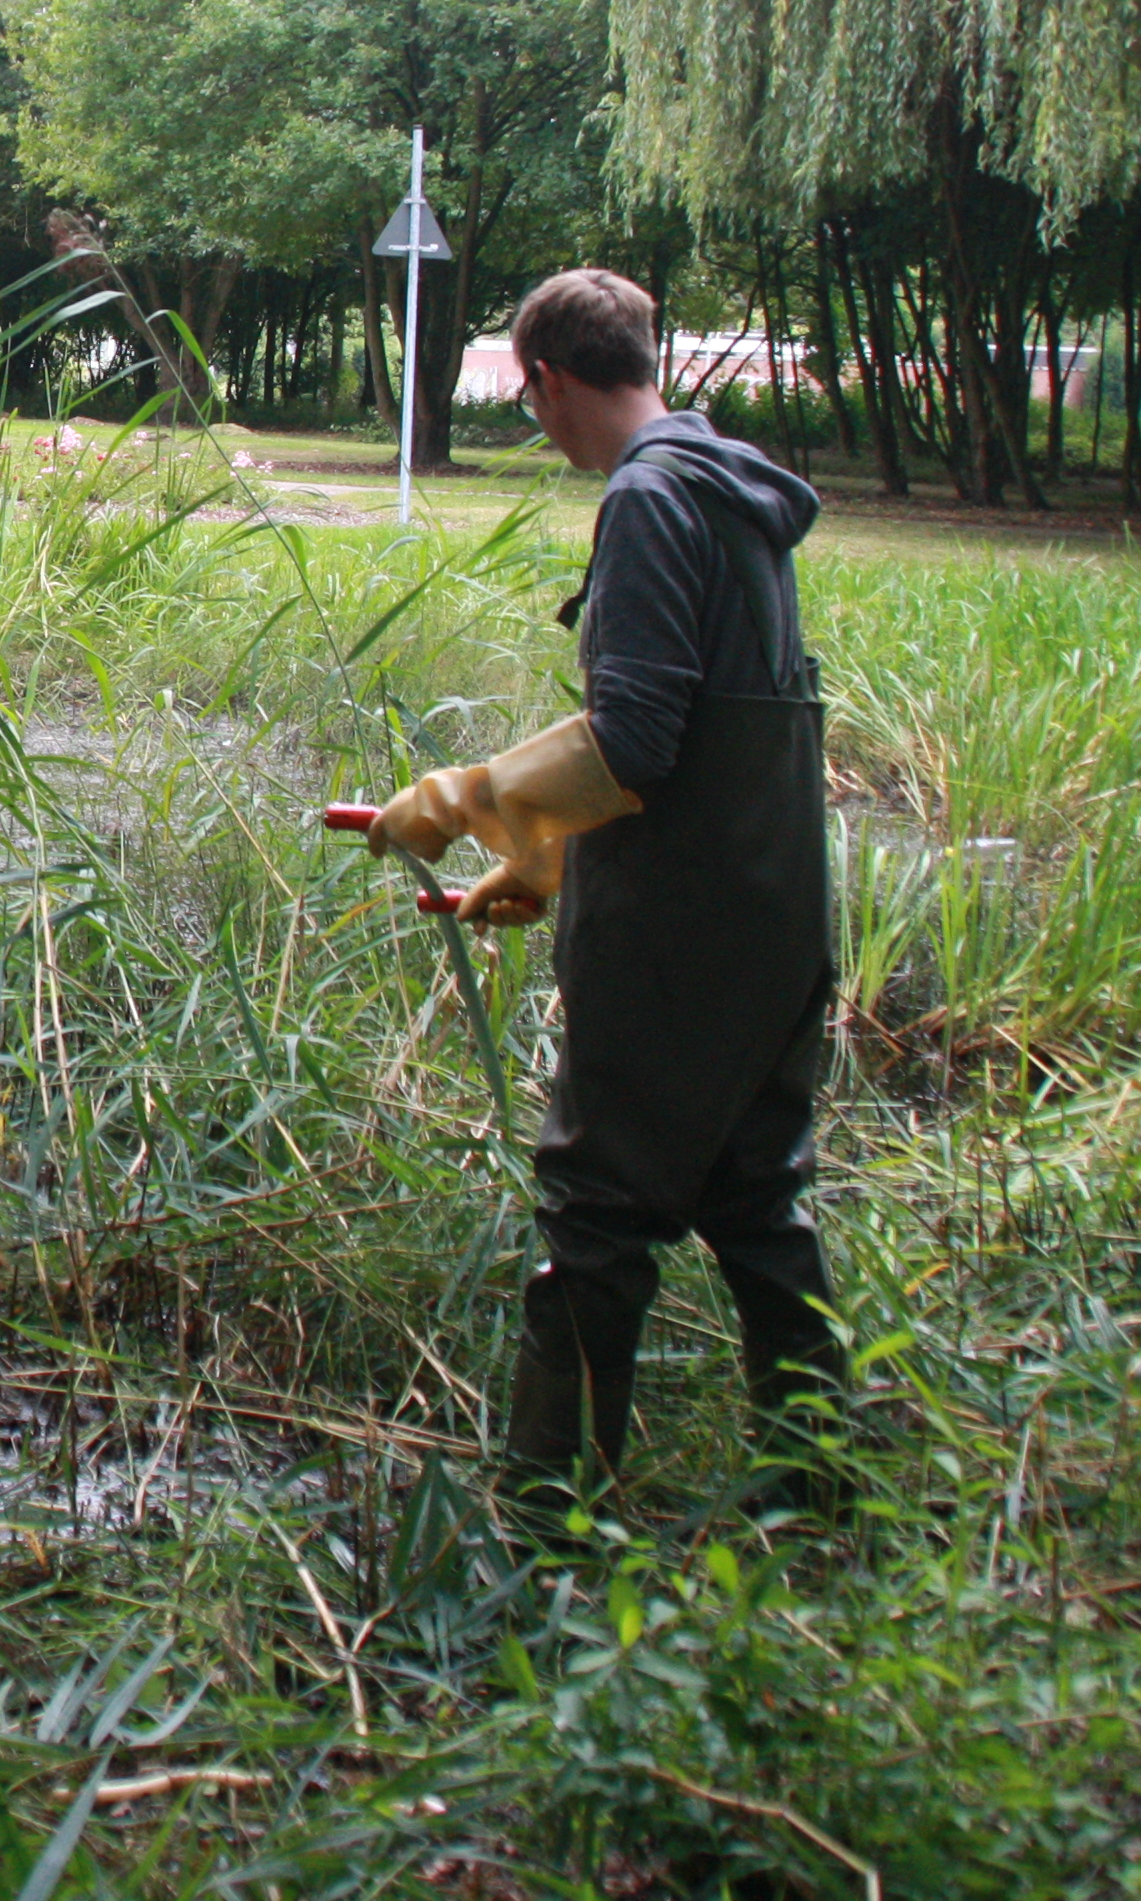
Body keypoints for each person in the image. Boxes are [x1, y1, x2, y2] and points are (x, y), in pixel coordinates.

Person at [354, 268, 843, 1521]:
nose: (541, 422)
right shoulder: (731, 488)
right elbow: (704, 738)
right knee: (753, 1199)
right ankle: (823, 1490)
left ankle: (545, 1519)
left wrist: (450, 803)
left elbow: (632, 744)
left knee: (595, 1220)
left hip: (680, 946)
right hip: (773, 924)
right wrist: (542, 865)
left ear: (552, 380)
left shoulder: (646, 500)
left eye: (534, 401)